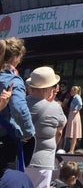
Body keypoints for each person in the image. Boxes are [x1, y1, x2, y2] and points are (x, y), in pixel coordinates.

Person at [25, 65, 66, 187]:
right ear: (47, 88)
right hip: (43, 162)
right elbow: (60, 131)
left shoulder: (20, 103)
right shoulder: (55, 108)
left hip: (20, 158)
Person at [0, 37, 35, 171]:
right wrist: (28, 132)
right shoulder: (13, 80)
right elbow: (19, 108)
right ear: (15, 57)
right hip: (5, 141)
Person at [64, 86, 83, 153]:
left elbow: (80, 104)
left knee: (74, 132)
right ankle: (71, 149)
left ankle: (72, 149)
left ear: (75, 91)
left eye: (72, 91)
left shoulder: (77, 97)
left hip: (74, 115)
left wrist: (76, 110)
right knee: (73, 132)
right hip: (72, 114)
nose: (71, 92)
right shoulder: (74, 97)